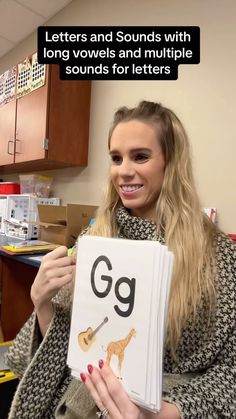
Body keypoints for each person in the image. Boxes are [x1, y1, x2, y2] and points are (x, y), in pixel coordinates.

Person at [6, 101, 235, 419]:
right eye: (116, 158)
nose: (124, 171)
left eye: (140, 156)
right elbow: (74, 347)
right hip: (80, 406)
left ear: (171, 162)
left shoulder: (216, 255)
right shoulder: (95, 241)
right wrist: (43, 304)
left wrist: (169, 413)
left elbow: (230, 372)